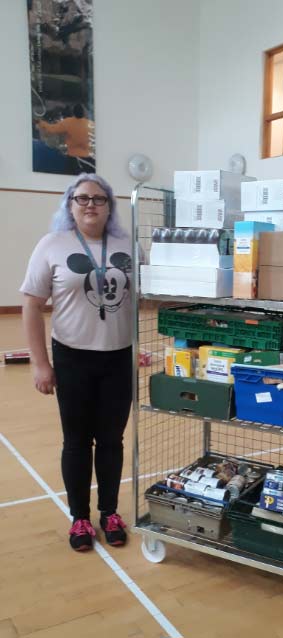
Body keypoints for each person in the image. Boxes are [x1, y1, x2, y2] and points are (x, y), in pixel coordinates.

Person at [20, 173, 133, 552]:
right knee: (77, 441)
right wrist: (40, 363)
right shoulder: (52, 244)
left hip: (119, 358)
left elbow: (145, 297)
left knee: (112, 441)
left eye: (99, 199)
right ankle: (80, 518)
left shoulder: (127, 245)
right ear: (70, 204)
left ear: (109, 206)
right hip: (72, 358)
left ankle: (110, 513)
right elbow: (32, 305)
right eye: (82, 198)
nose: (90, 204)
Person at [37, 104, 95, 174]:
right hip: (87, 159)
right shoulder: (91, 124)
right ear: (84, 113)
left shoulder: (68, 122)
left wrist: (40, 122)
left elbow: (51, 129)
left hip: (73, 158)